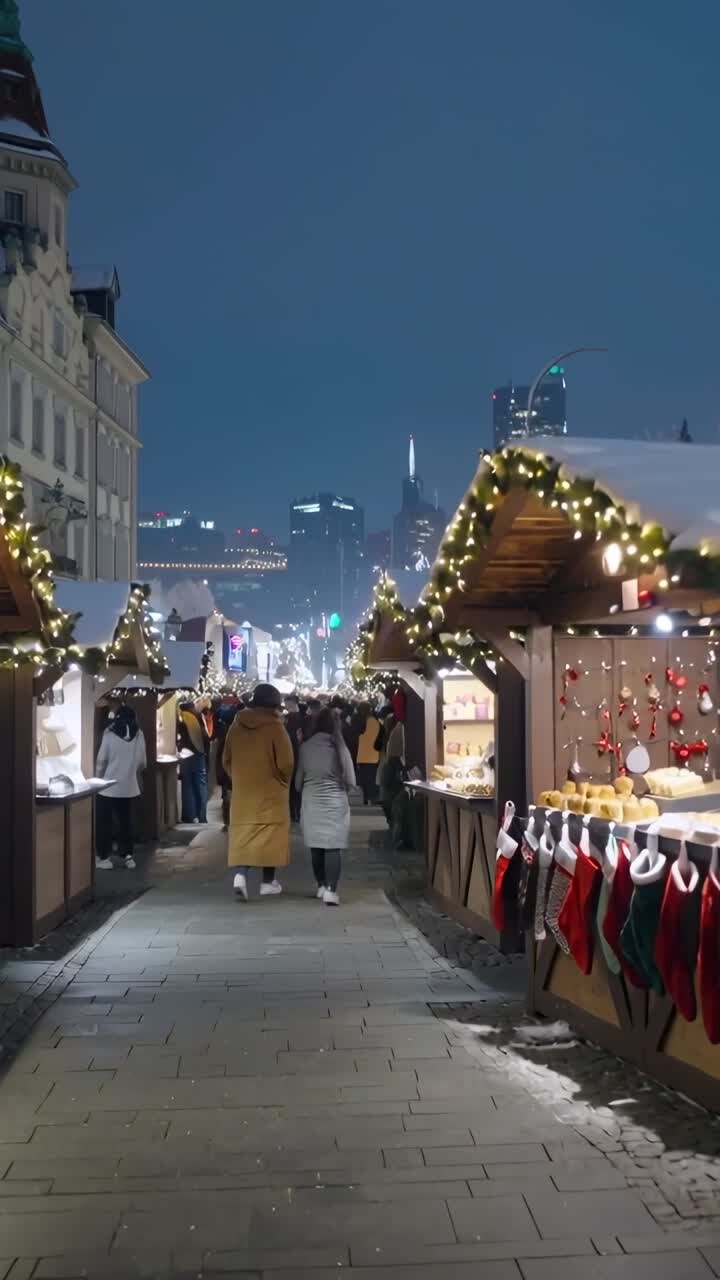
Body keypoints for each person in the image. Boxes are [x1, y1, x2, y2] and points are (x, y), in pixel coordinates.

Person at [223, 683, 295, 901]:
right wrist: (281, 780)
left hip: (244, 793)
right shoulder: (275, 727)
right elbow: (287, 762)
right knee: (270, 835)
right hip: (271, 792)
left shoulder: (236, 726)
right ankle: (267, 882)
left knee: (245, 836)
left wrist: (238, 778)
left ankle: (240, 876)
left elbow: (226, 759)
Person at [295, 707, 355, 906]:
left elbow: (298, 782)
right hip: (336, 802)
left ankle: (320, 885)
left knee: (316, 847)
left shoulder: (305, 747)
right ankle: (331, 890)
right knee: (332, 847)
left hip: (312, 801)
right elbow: (351, 781)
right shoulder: (340, 747)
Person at [95, 704, 147, 870]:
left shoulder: (109, 734)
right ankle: (128, 856)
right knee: (126, 823)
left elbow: (102, 759)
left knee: (105, 824)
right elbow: (142, 762)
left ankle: (104, 858)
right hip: (129, 786)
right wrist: (130, 772)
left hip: (108, 787)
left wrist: (99, 777)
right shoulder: (139, 734)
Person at [177, 700, 209, 823]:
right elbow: (205, 736)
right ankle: (202, 815)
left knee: (188, 785)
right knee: (200, 785)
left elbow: (179, 737)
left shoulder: (183, 717)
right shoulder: (198, 715)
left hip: (186, 754)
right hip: (199, 754)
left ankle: (189, 815)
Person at [284, 694, 306, 824]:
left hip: (292, 754)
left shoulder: (290, 719)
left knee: (292, 786)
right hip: (299, 754)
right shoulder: (303, 718)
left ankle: (294, 812)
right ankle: (296, 811)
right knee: (297, 786)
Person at [354, 701, 380, 805]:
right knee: (369, 780)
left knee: (367, 780)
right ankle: (370, 799)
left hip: (366, 756)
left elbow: (364, 739)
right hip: (371, 756)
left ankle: (369, 799)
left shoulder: (369, 722)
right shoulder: (373, 721)